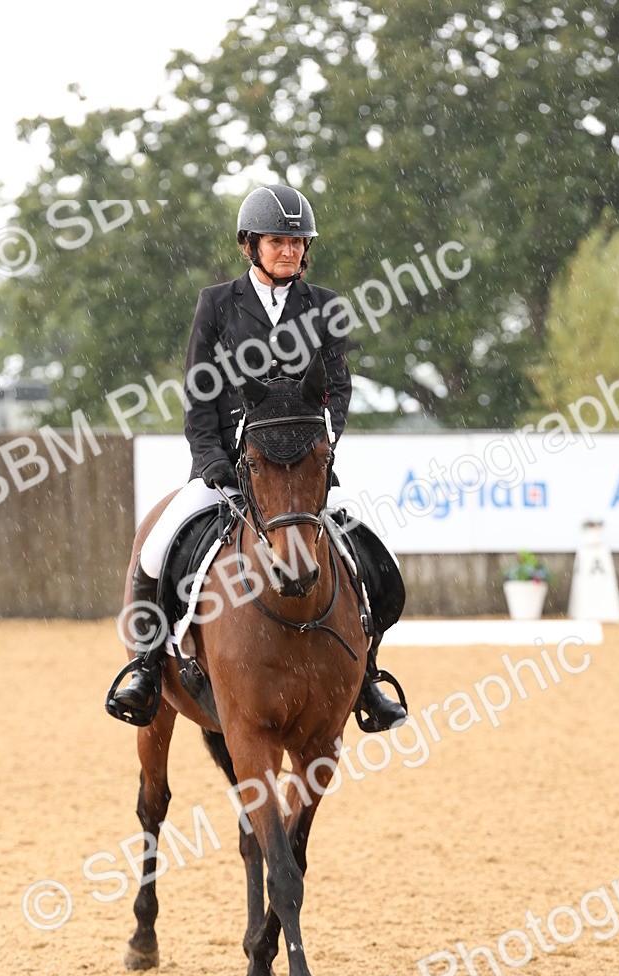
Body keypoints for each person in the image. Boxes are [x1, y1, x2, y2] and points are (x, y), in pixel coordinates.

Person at [108, 183, 407, 730]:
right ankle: (147, 667)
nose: (289, 250)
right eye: (277, 240)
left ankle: (368, 675)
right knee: (155, 551)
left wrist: (324, 445)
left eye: (297, 241)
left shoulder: (325, 307)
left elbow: (337, 388)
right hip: (229, 467)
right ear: (250, 245)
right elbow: (200, 394)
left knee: (371, 558)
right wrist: (211, 460)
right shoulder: (218, 305)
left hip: (303, 473)